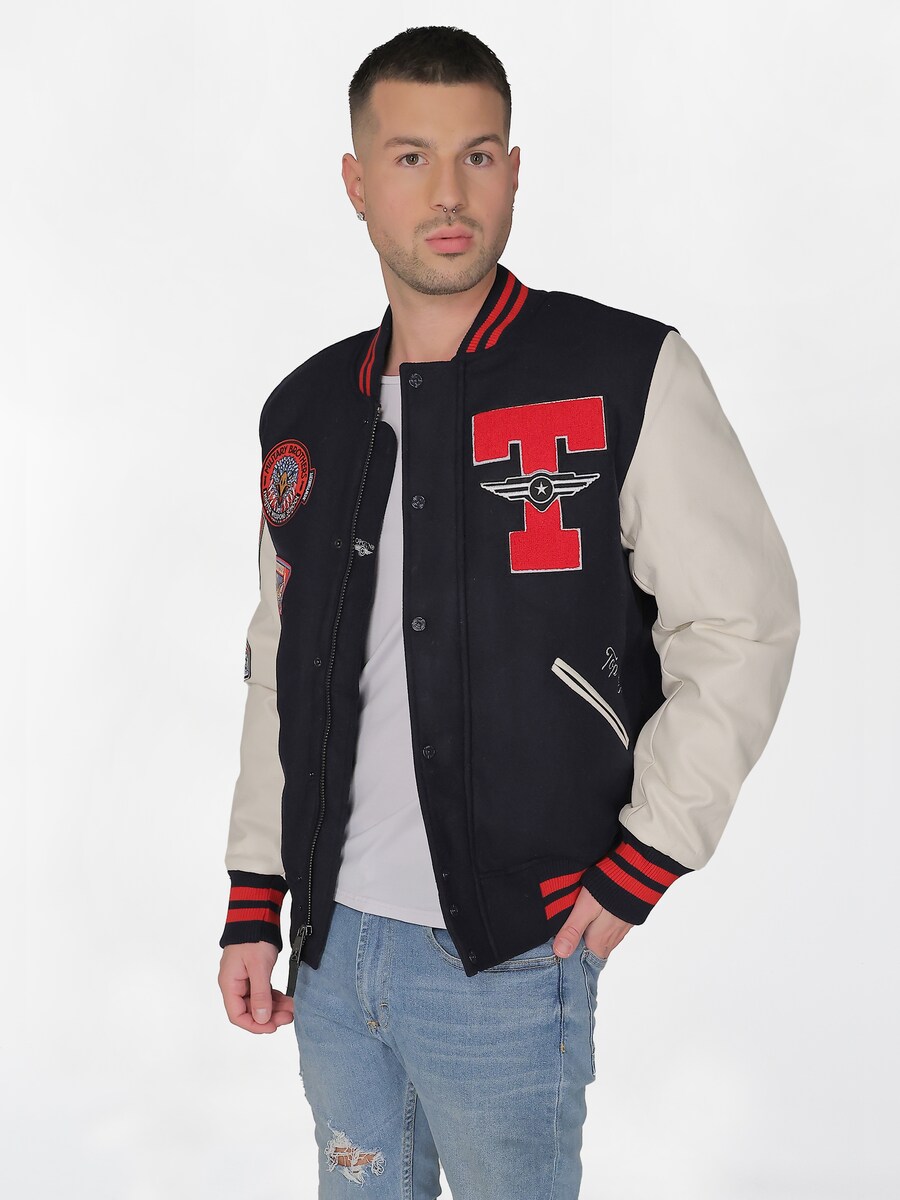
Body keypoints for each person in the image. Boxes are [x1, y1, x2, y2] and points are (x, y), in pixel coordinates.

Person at [216, 24, 800, 1199]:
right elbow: (282, 664)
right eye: (411, 157)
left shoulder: (623, 371)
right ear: (357, 182)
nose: (449, 192)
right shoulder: (306, 412)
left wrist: (646, 858)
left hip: (508, 959)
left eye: (477, 156)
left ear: (515, 171)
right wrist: (254, 895)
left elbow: (740, 623)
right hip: (329, 953)